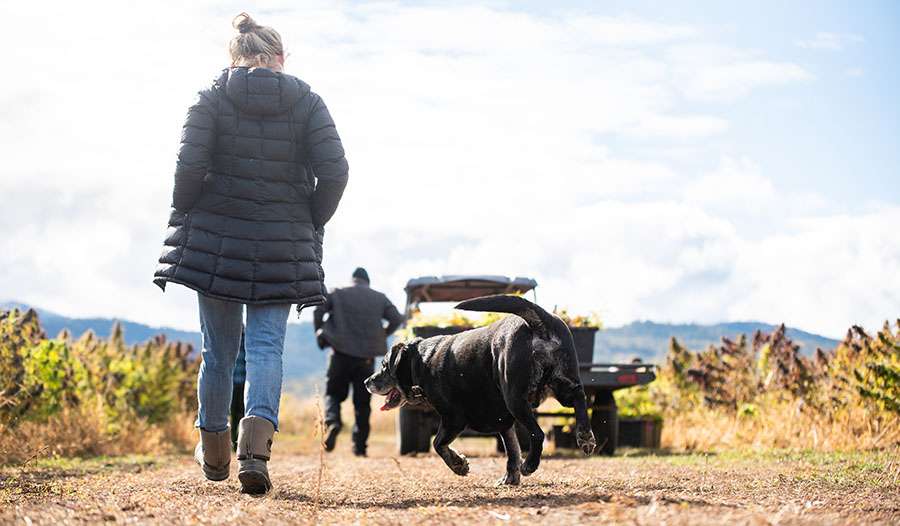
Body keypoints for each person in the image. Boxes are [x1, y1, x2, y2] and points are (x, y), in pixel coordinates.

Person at [152, 13, 348, 494]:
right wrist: (310, 219)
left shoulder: (210, 98)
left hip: (216, 240)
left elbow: (188, 166)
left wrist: (190, 210)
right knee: (266, 348)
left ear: (235, 55)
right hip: (283, 242)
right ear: (279, 58)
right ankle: (255, 452)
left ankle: (215, 454)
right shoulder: (308, 103)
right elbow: (337, 172)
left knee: (217, 352)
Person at [314, 268, 404, 456]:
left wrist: (320, 333)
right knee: (362, 404)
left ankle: (333, 423)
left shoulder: (337, 292)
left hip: (339, 353)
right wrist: (382, 335)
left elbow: (318, 309)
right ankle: (360, 447)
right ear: (367, 281)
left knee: (333, 395)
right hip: (366, 358)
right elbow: (397, 319)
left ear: (353, 279)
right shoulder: (379, 297)